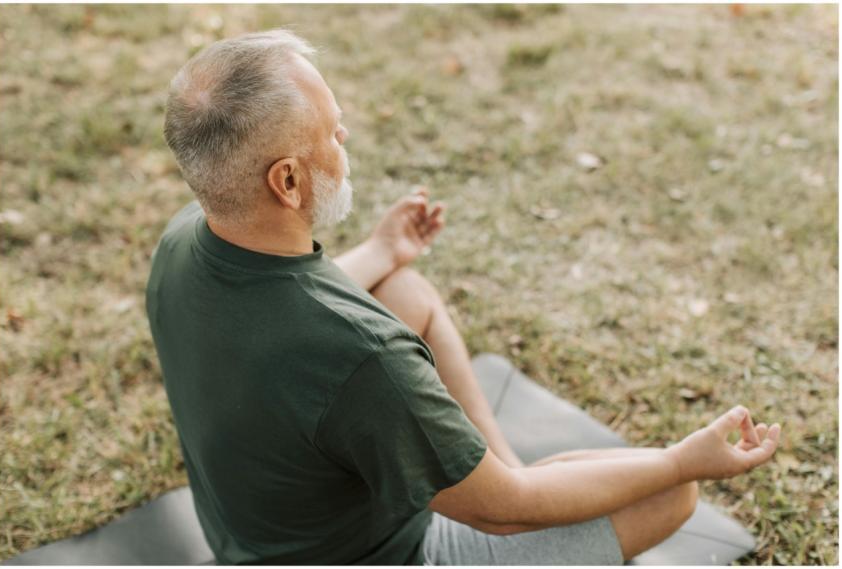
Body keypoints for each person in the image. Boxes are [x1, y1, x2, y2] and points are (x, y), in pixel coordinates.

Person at [146, 29, 781, 565]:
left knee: (404, 288)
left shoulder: (180, 241)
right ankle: (504, 471)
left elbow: (279, 310)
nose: (346, 144)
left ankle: (493, 461)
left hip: (251, 539)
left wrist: (381, 251)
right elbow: (507, 515)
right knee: (669, 496)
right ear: (286, 181)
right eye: (334, 135)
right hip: (393, 551)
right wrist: (679, 461)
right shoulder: (362, 359)